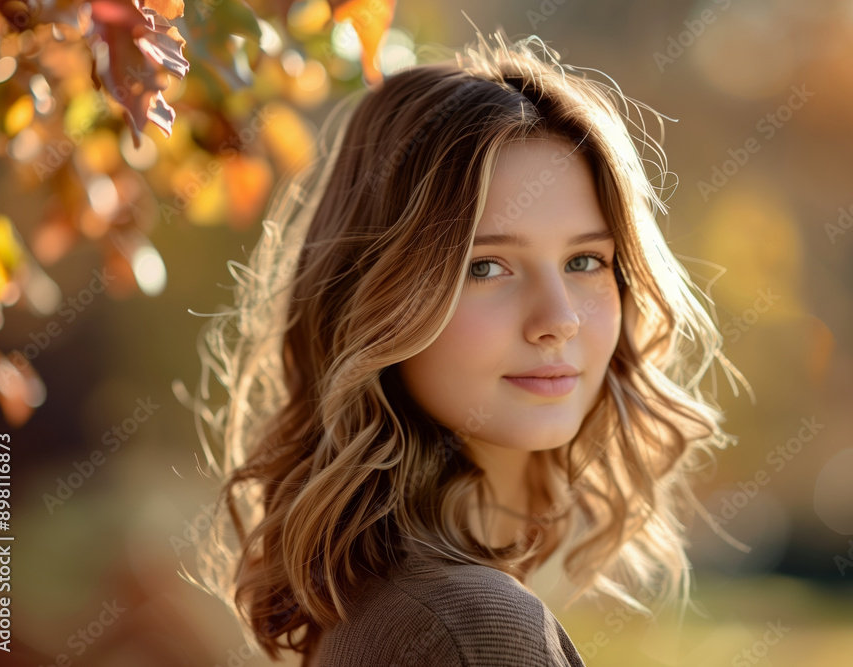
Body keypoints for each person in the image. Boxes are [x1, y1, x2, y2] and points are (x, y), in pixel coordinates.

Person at [182, 26, 746, 667]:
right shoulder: (473, 629)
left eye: (586, 261)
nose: (557, 319)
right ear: (377, 300)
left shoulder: (397, 607)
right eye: (485, 267)